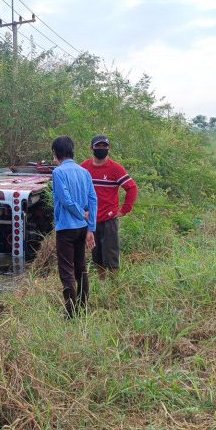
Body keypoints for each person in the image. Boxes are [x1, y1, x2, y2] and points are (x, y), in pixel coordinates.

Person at [51, 136, 97, 318]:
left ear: (56, 153)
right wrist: (90, 227)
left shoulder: (58, 173)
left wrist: (80, 213)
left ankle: (71, 312)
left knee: (67, 269)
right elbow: (93, 199)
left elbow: (66, 200)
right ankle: (83, 307)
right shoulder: (84, 172)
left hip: (66, 228)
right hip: (81, 229)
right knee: (81, 267)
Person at [81, 135, 138, 279]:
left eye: (104, 146)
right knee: (97, 257)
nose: (101, 149)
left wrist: (124, 210)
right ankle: (103, 285)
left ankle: (115, 288)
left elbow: (132, 188)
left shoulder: (115, 168)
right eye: (98, 146)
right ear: (91, 148)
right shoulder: (84, 167)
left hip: (109, 220)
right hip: (91, 221)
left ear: (108, 148)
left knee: (111, 258)